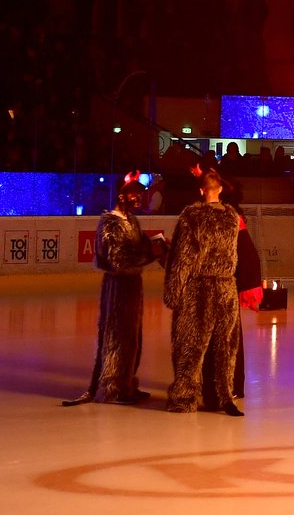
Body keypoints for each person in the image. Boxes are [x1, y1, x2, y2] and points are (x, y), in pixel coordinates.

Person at [63, 171, 163, 406]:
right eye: (134, 193)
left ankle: (126, 382)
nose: (139, 197)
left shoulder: (131, 220)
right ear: (121, 195)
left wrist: (157, 247)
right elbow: (116, 259)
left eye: (140, 193)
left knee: (132, 336)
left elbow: (140, 248)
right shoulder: (109, 223)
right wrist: (149, 253)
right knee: (116, 336)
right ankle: (113, 387)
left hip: (133, 286)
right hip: (118, 288)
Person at [163, 169, 244, 416]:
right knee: (224, 348)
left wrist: (173, 290)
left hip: (199, 289)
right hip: (226, 287)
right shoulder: (232, 217)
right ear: (219, 189)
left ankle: (185, 398)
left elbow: (183, 258)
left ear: (200, 190)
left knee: (191, 345)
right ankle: (224, 396)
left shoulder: (192, 216)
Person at [202, 186, 263, 403]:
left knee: (223, 338)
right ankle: (227, 384)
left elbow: (248, 257)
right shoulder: (230, 219)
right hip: (222, 288)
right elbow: (249, 257)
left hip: (219, 288)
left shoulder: (227, 220)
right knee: (225, 338)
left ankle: (228, 385)